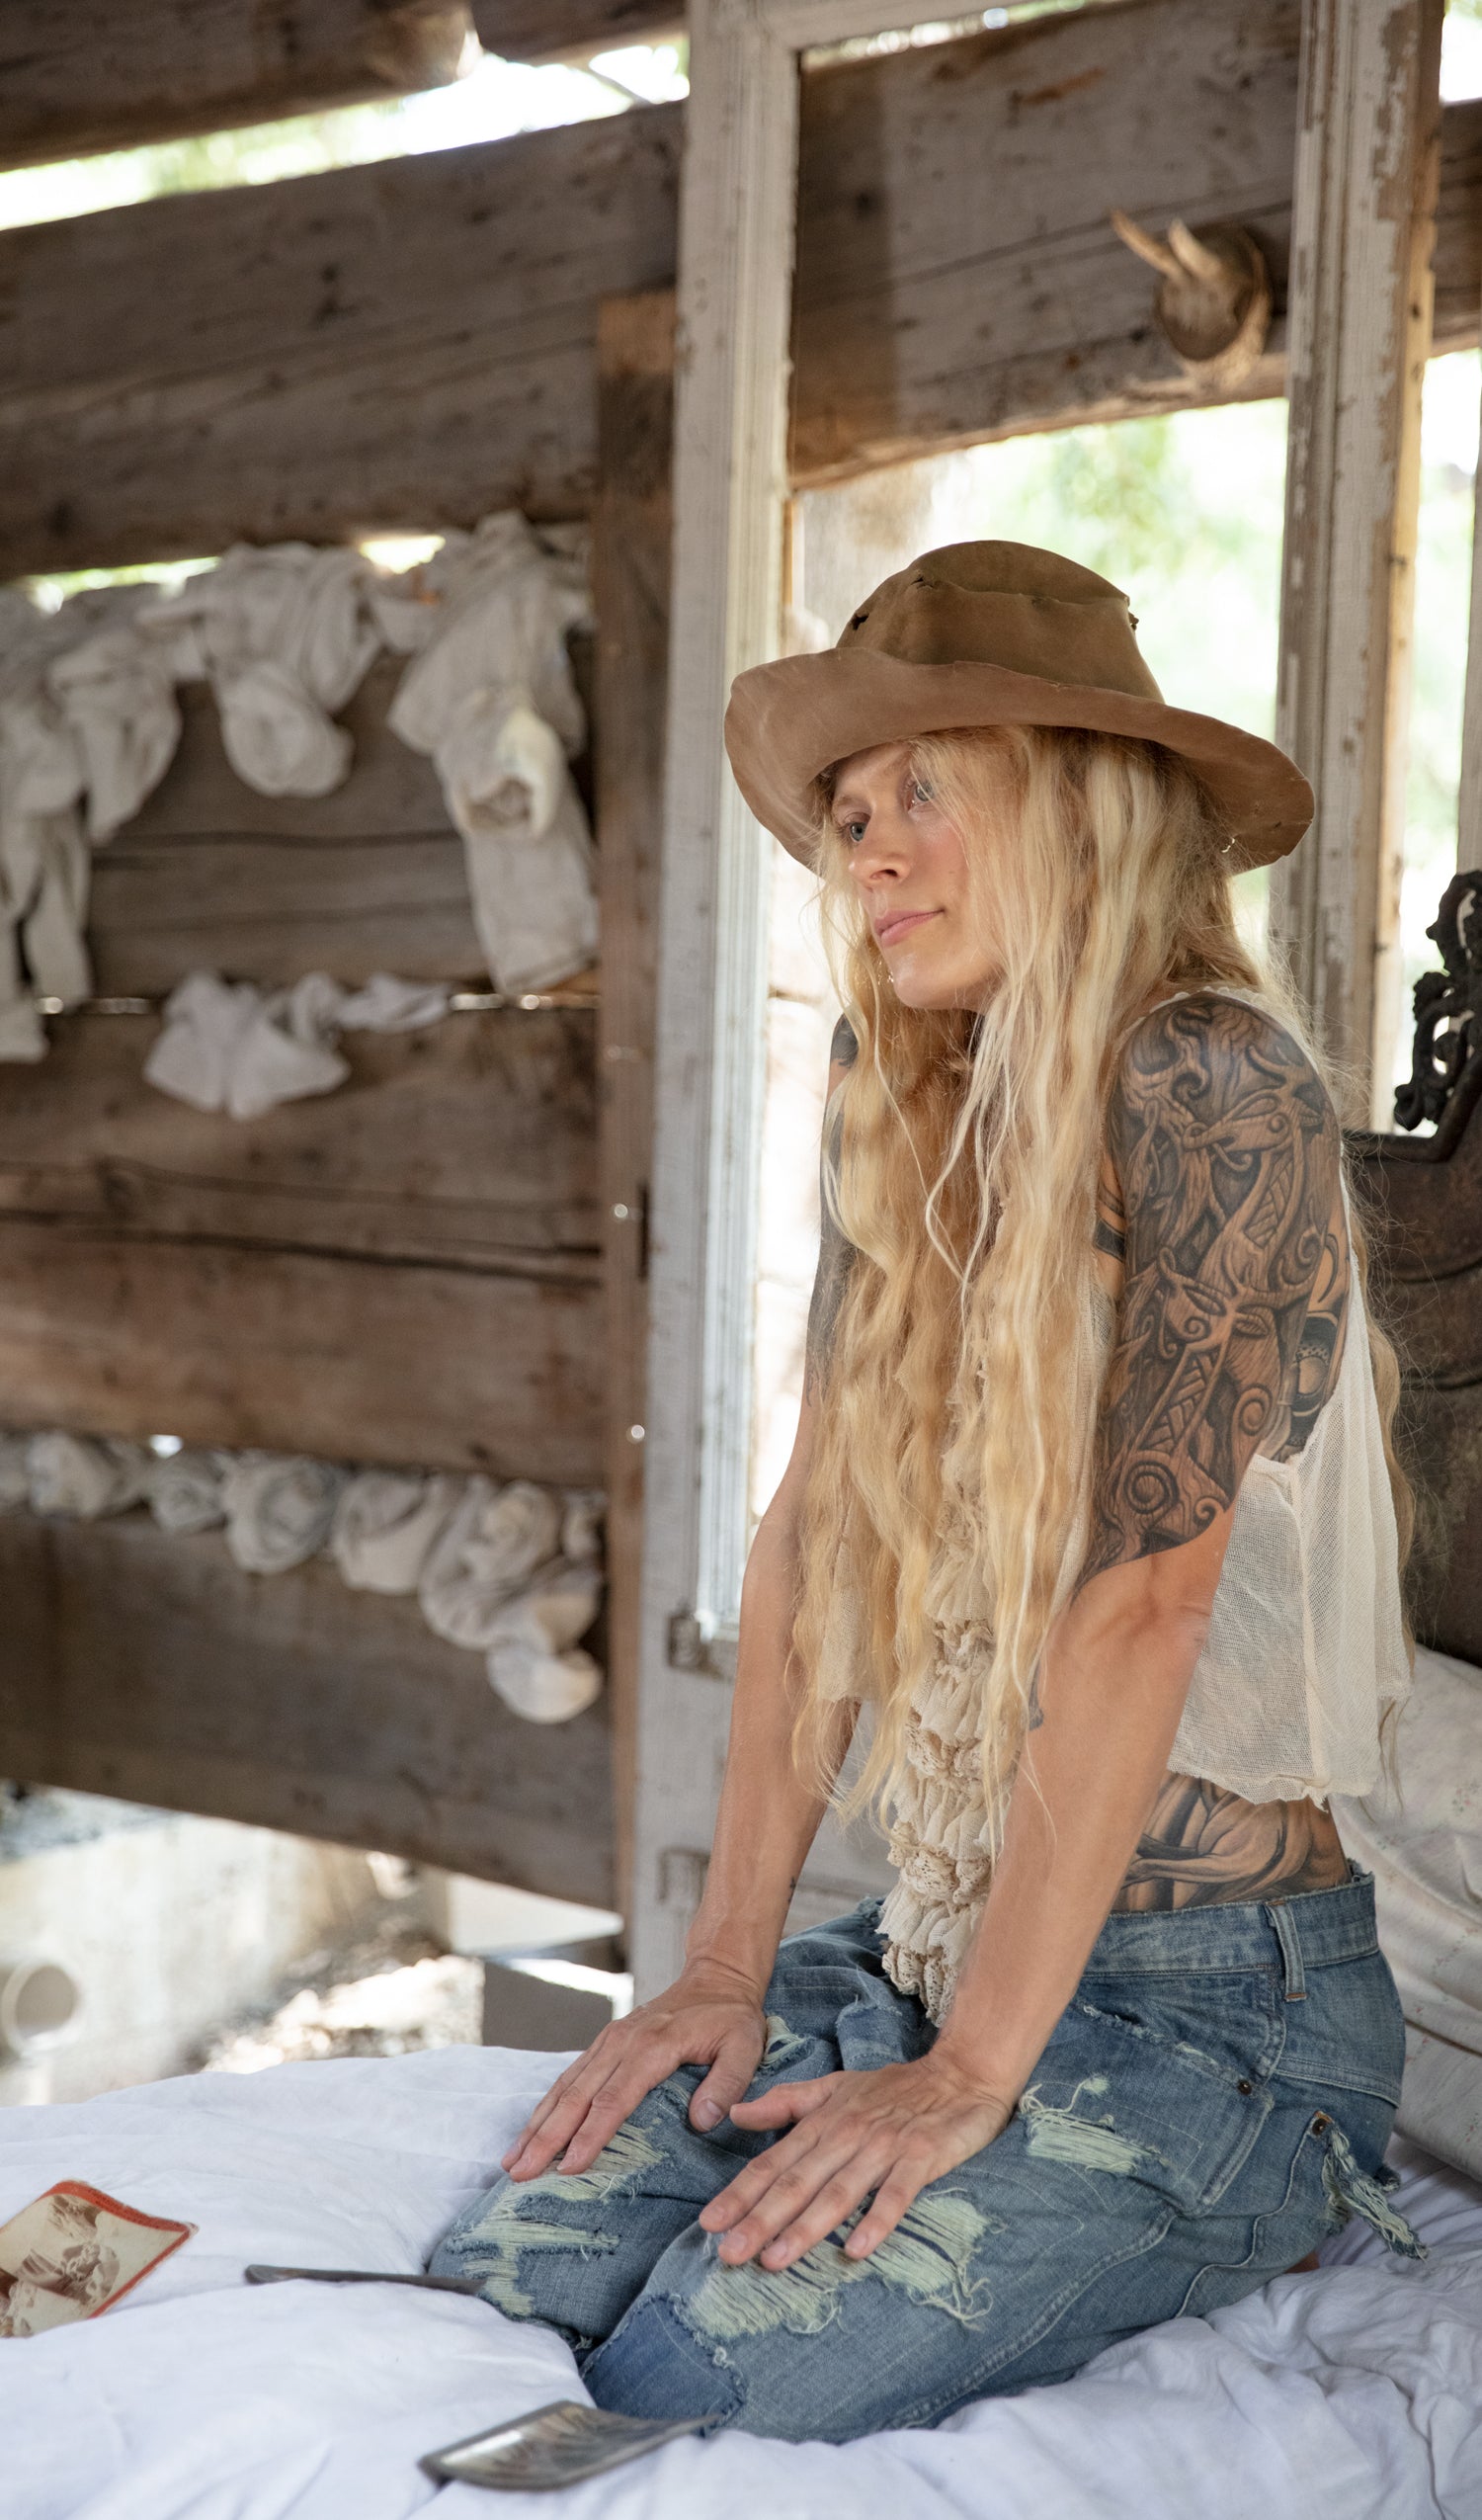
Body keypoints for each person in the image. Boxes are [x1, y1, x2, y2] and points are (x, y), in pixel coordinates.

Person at [432, 542, 1421, 2442]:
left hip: (1224, 2013)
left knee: (701, 2369)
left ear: (1082, 800)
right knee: (518, 2265)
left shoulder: (1215, 1085)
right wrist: (721, 1967)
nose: (871, 854)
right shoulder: (911, 1095)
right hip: (942, 1944)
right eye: (852, 816)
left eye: (924, 791)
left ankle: (1241, 2200)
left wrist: (970, 2073)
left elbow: (1145, 1606)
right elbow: (820, 1530)